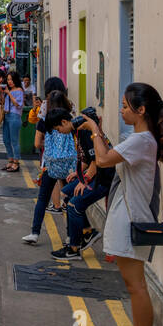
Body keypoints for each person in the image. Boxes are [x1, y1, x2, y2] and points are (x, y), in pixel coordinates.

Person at [85, 83, 163, 326]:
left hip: (133, 220)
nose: (121, 110)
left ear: (141, 110)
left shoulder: (141, 140)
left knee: (136, 287)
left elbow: (102, 159)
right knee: (133, 285)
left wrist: (95, 131)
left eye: (125, 106)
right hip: (129, 217)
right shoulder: (140, 139)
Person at [51, 107, 113, 259]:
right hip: (94, 174)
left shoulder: (84, 130)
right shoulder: (76, 131)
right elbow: (86, 158)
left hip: (103, 178)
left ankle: (74, 248)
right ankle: (87, 231)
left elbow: (96, 160)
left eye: (58, 128)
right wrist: (78, 172)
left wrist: (85, 180)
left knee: (74, 205)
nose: (59, 131)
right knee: (66, 194)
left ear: (64, 121)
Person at [22, 108, 77, 244]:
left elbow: (37, 143)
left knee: (42, 199)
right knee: (70, 201)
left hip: (50, 166)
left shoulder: (44, 122)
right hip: (69, 167)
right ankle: (70, 235)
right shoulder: (72, 122)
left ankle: (35, 232)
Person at [1, 71, 25, 172]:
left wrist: (8, 93)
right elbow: (3, 103)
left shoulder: (19, 90)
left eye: (11, 79)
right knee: (6, 140)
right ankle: (10, 160)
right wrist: (2, 93)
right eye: (8, 79)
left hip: (15, 117)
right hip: (6, 116)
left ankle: (16, 162)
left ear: (15, 79)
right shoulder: (8, 90)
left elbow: (17, 104)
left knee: (14, 141)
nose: (9, 81)